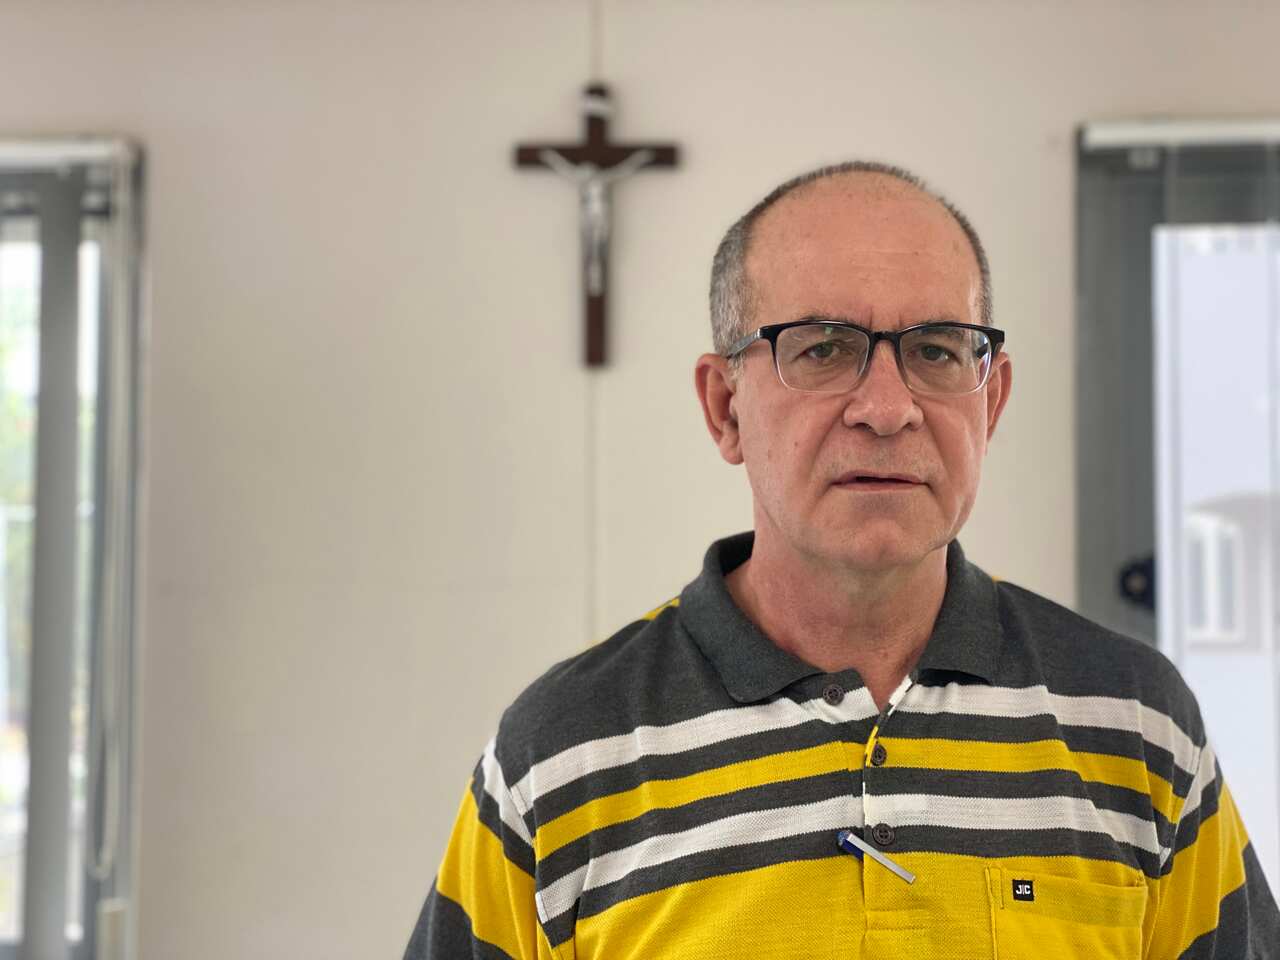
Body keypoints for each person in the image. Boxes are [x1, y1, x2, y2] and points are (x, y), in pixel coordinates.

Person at [403, 161, 1280, 959]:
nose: (888, 408)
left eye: (936, 349)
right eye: (823, 348)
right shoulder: (560, 757)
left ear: (992, 402)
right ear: (724, 407)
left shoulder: (1138, 726)